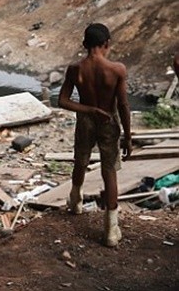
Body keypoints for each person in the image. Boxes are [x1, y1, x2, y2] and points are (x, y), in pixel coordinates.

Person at [58, 23, 131, 247]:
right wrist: (128, 136)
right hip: (108, 120)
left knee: (80, 161)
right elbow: (123, 105)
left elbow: (62, 100)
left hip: (86, 120)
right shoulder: (117, 69)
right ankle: (111, 229)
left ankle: (76, 201)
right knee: (109, 171)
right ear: (107, 44)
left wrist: (89, 109)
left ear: (84, 45)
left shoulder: (75, 70)